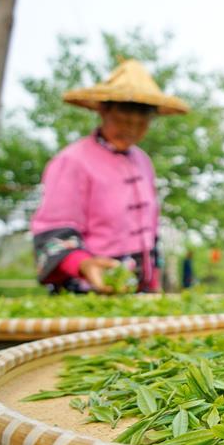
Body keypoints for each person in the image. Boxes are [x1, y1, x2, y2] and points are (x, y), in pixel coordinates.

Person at [30, 59, 188, 294]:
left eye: (141, 121)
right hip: (88, 291)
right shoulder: (73, 160)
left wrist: (152, 279)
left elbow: (150, 232)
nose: (131, 128)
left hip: (136, 290)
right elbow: (55, 229)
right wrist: (84, 264)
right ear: (104, 110)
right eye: (124, 118)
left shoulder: (143, 162)